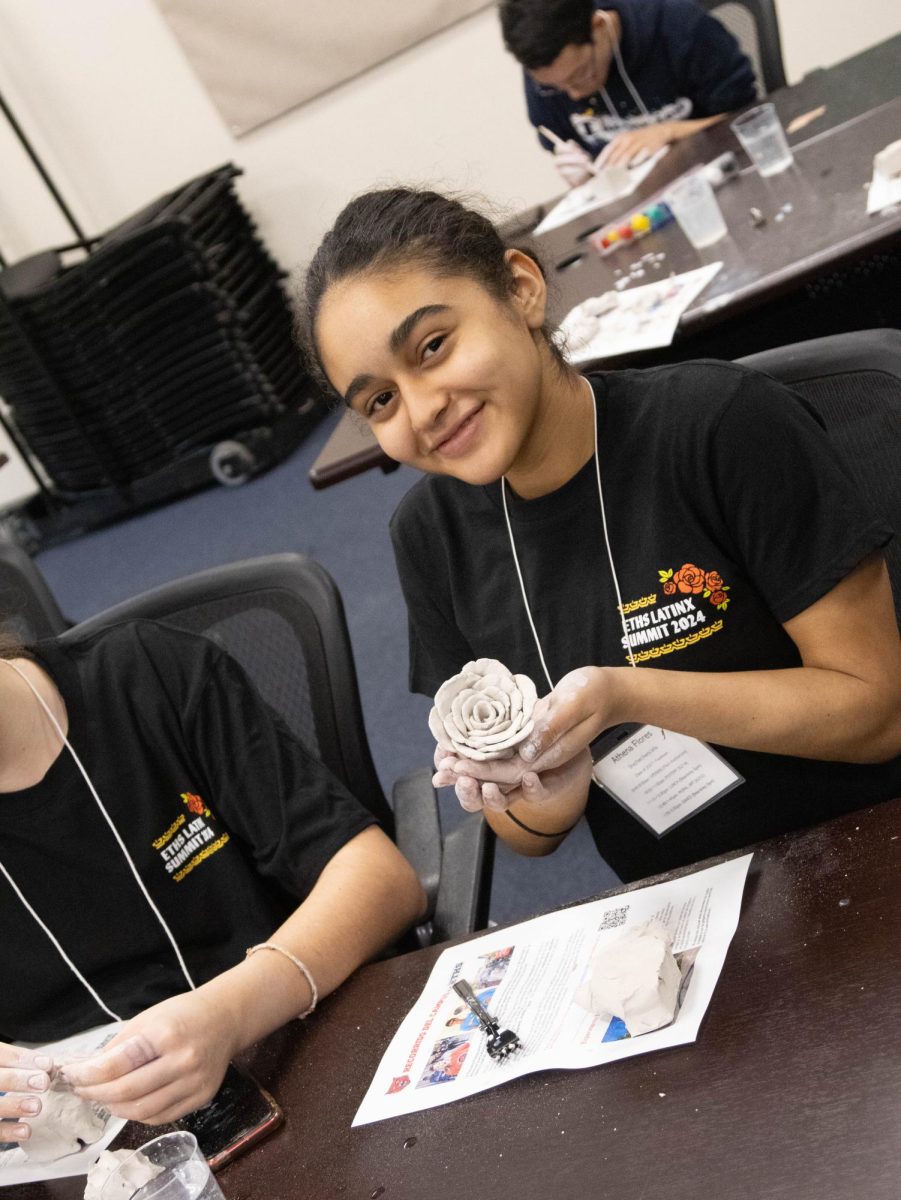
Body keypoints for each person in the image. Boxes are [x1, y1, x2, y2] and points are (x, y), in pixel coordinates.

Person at [299, 185, 901, 889]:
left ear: (520, 290)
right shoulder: (428, 537)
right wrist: (543, 793)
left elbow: (876, 712)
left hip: (864, 846)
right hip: (688, 905)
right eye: (380, 401)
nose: (423, 410)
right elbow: (525, 837)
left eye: (434, 346)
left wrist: (627, 696)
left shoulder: (720, 426)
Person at [0, 619, 425, 1146]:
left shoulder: (149, 676)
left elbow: (381, 880)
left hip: (301, 1053)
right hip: (91, 1150)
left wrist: (225, 1015)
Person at [499, 0, 757, 183]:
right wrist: (582, 176)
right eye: (553, 87)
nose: (573, 96)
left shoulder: (678, 26)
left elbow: (749, 115)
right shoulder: (549, 72)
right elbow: (561, 143)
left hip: (723, 177)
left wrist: (669, 132)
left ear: (598, 26)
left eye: (580, 75)